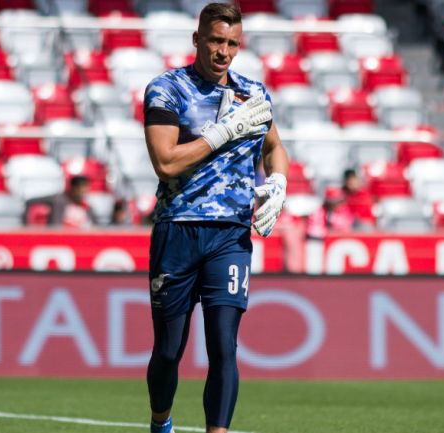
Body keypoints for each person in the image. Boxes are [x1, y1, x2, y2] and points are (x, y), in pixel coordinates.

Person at [142, 3, 289, 433]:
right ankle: (160, 422)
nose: (223, 51)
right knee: (169, 350)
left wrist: (278, 182)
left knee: (224, 345)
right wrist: (222, 131)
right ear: (197, 40)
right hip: (178, 229)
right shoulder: (167, 89)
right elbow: (166, 163)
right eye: (215, 40)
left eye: (231, 43)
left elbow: (273, 145)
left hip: (230, 235)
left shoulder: (253, 94)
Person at [24, 174, 95, 228]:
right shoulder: (58, 200)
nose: (83, 193)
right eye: (80, 189)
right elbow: (29, 202)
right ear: (73, 188)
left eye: (85, 189)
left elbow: (95, 227)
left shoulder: (87, 207)